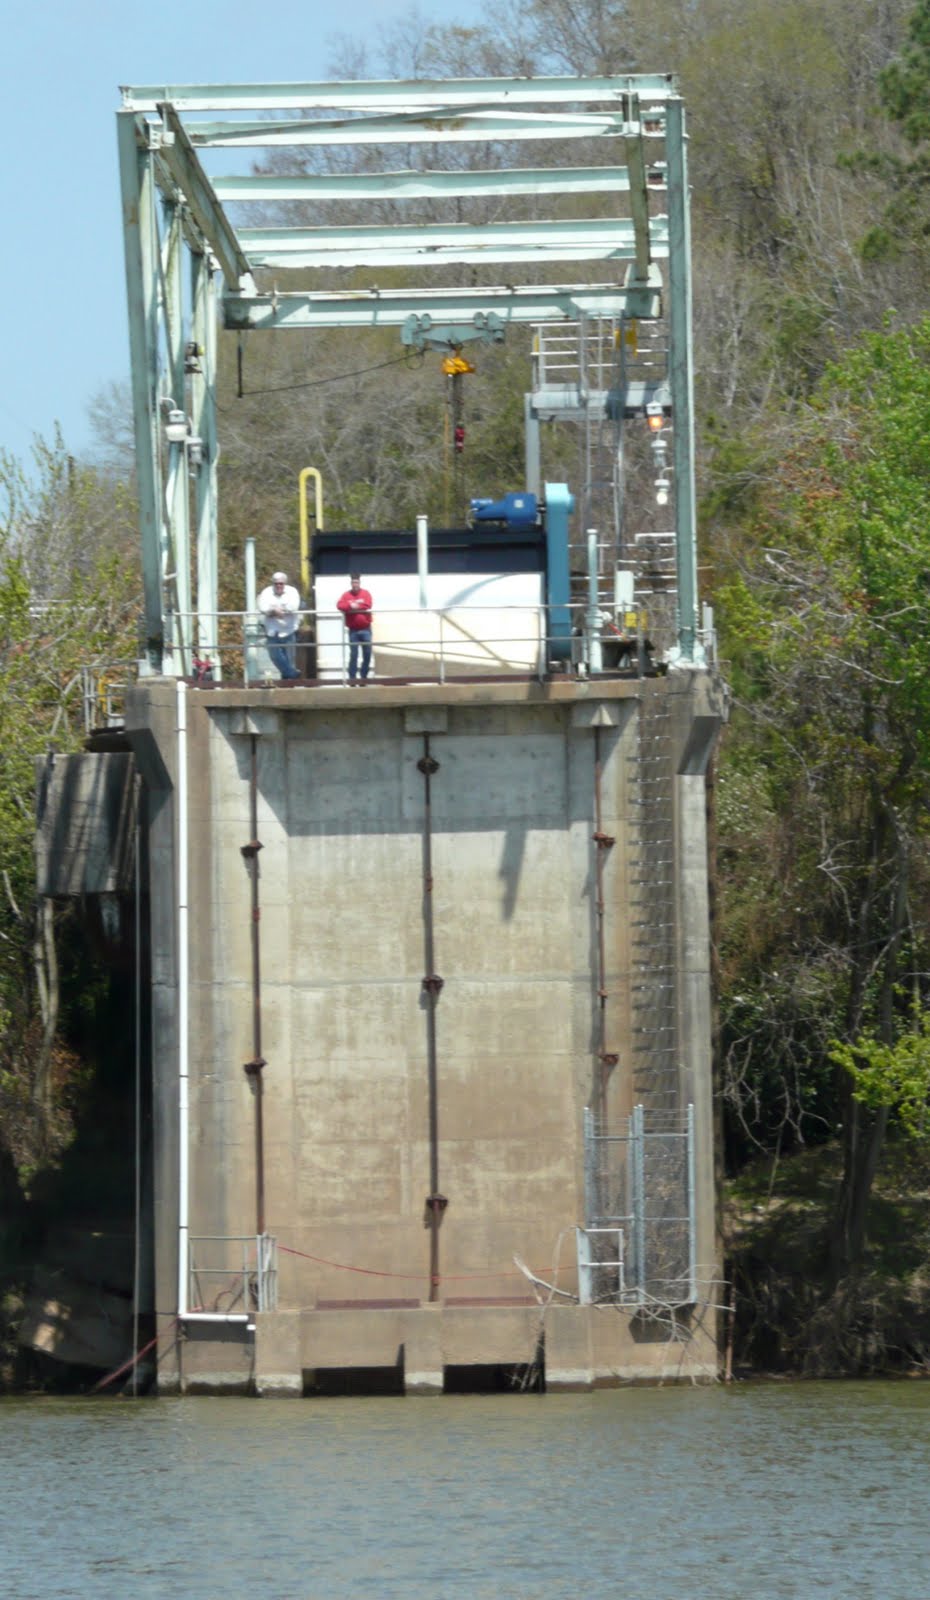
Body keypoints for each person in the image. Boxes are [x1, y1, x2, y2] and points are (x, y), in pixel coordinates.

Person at [257, 571, 301, 681]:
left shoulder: (292, 591)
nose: (278, 586)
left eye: (281, 583)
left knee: (289, 660)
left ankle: (288, 682)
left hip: (289, 630)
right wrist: (274, 610)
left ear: (285, 583)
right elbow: (262, 607)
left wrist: (276, 610)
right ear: (273, 583)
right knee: (274, 656)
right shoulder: (266, 592)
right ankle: (292, 674)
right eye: (276, 583)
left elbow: (293, 607)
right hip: (272, 631)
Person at [336, 572, 374, 685]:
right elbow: (339, 605)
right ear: (351, 583)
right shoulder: (346, 595)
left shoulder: (366, 593)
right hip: (353, 631)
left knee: (367, 654)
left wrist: (355, 606)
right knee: (354, 655)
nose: (355, 584)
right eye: (353, 582)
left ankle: (363, 677)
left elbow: (368, 604)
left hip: (366, 629)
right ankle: (352, 678)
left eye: (356, 582)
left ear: (359, 583)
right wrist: (350, 606)